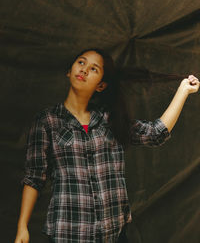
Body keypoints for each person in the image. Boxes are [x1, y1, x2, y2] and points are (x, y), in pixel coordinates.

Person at [14, 48, 199, 243]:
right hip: (69, 233)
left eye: (94, 69)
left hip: (114, 234)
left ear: (101, 85)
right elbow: (34, 177)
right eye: (81, 62)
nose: (84, 70)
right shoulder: (47, 121)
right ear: (70, 71)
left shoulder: (110, 120)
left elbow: (155, 133)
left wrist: (183, 91)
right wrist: (22, 227)